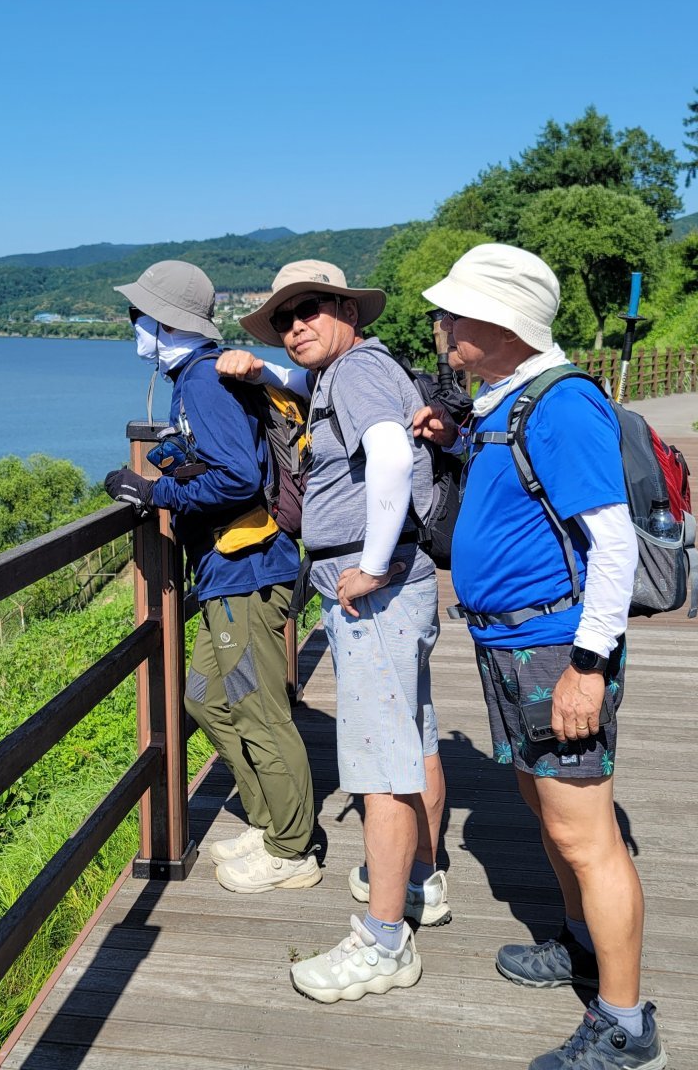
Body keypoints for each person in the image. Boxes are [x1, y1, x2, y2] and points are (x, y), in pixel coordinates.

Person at [415, 243, 664, 1070]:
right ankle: (581, 944)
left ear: (502, 324)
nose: (442, 323)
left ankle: (625, 1025)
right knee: (544, 804)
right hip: (511, 641)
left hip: (554, 647)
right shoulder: (505, 398)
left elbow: (613, 543)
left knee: (587, 833)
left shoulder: (561, 404)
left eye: (455, 312)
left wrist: (587, 668)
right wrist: (454, 437)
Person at [222, 259, 448, 1004]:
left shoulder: (355, 374)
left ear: (349, 310)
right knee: (412, 741)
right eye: (285, 318)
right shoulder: (349, 374)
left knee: (381, 767)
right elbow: (321, 405)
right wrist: (266, 378)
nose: (296, 326)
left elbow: (385, 453)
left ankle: (384, 942)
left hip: (371, 588)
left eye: (312, 308)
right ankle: (423, 881)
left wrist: (373, 566)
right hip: (394, 583)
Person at [103, 259, 320, 894]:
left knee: (256, 707)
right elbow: (229, 455)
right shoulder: (199, 378)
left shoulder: (201, 381)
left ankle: (292, 848)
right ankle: (268, 816)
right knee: (204, 695)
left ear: (165, 322)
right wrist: (175, 457)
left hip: (245, 570)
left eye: (137, 316)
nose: (133, 328)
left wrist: (154, 491)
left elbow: (239, 478)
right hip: (229, 574)